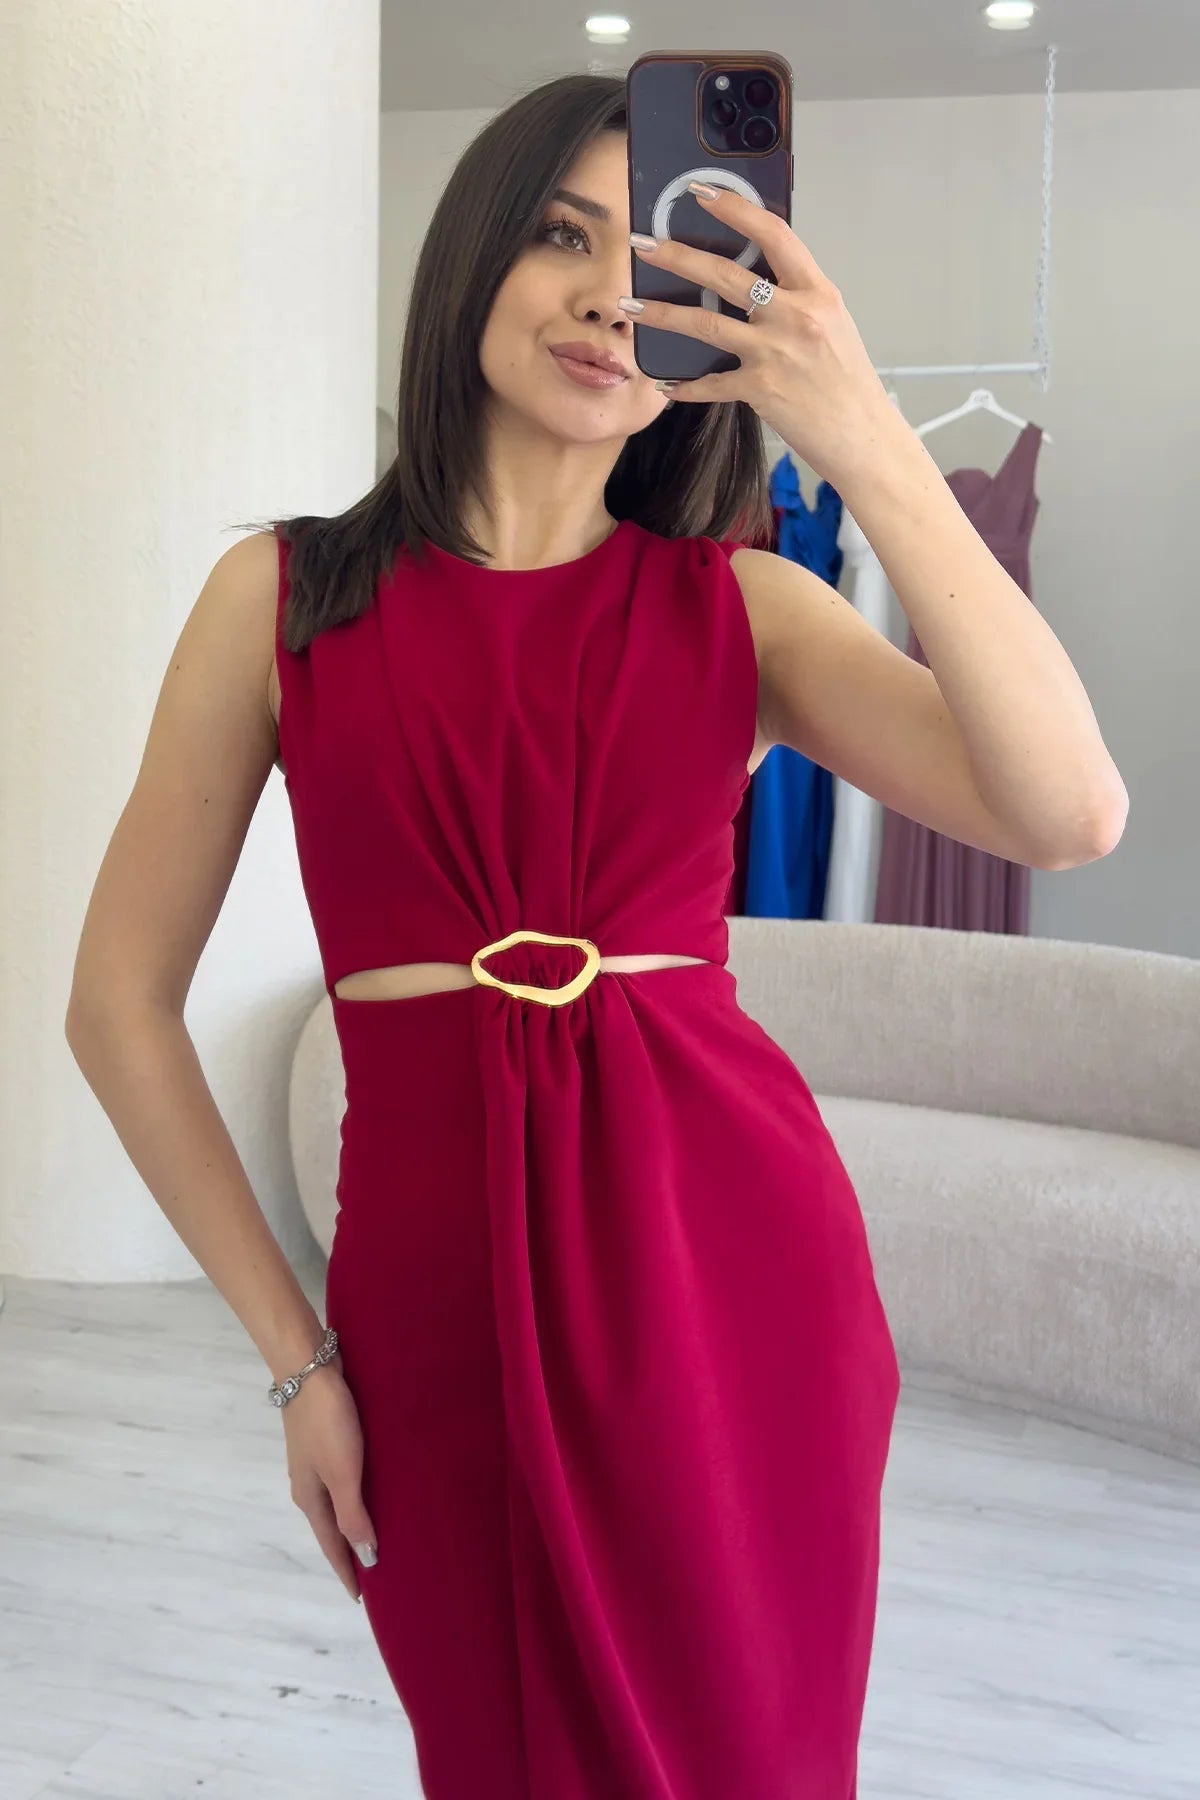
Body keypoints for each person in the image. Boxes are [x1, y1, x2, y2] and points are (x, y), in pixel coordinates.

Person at [65, 68, 1126, 1800]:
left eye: (660, 267)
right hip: (430, 1307)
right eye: (565, 236)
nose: (609, 298)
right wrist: (294, 1360)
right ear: (474, 254)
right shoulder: (282, 601)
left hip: (732, 1285)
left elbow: (1070, 812)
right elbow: (116, 1005)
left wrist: (861, 432)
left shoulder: (745, 609)